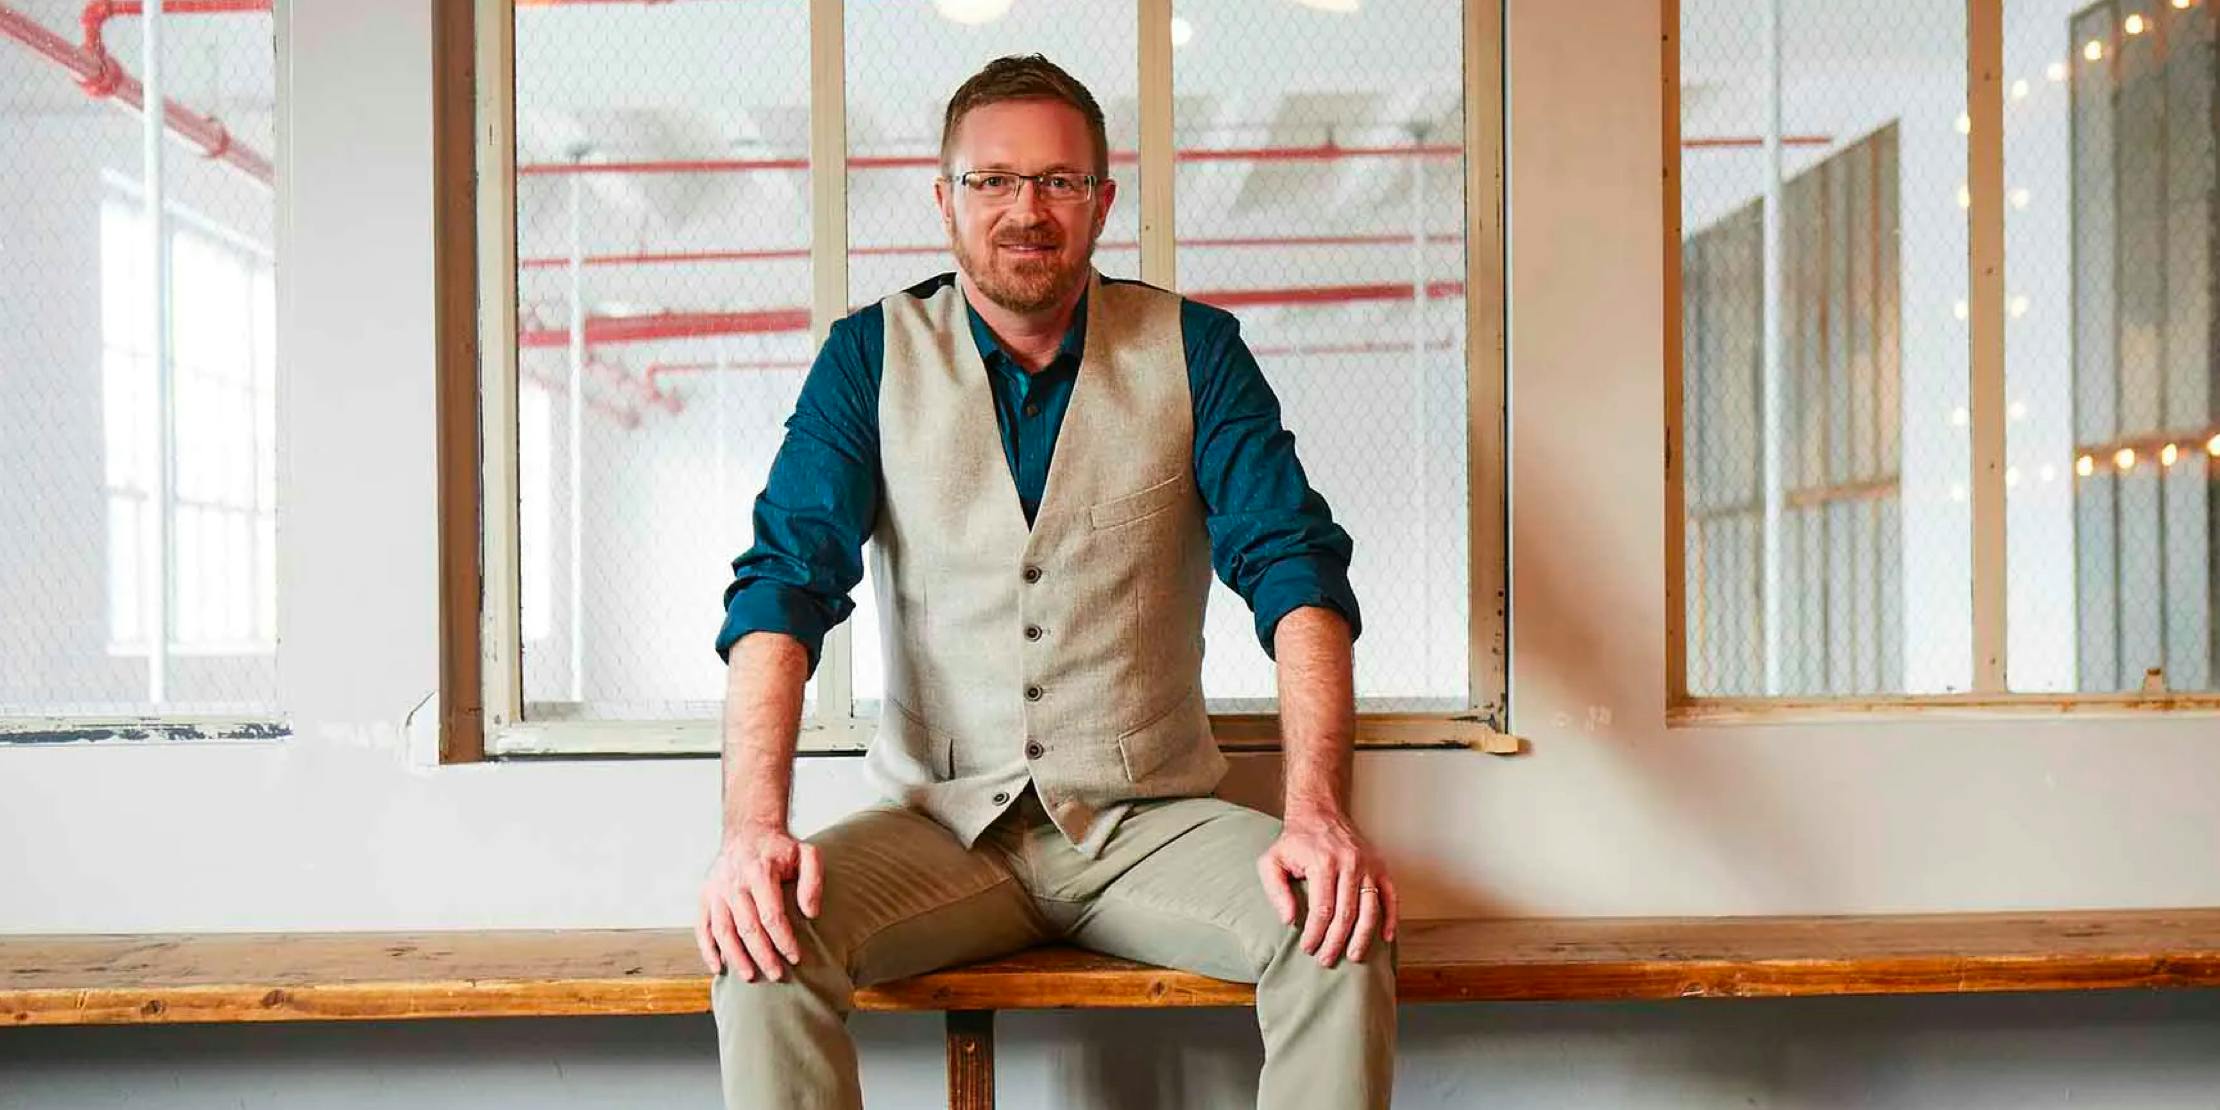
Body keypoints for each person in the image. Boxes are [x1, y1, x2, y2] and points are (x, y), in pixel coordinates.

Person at [695, 53, 1397, 1109]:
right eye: (993, 181)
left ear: (1102, 201)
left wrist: (1317, 815)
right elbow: (781, 593)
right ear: (946, 199)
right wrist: (752, 830)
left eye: (1061, 182)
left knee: (1339, 932)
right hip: (941, 828)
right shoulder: (866, 358)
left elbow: (1296, 575)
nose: (1028, 210)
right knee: (760, 940)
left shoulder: (1198, 351)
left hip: (1148, 822)